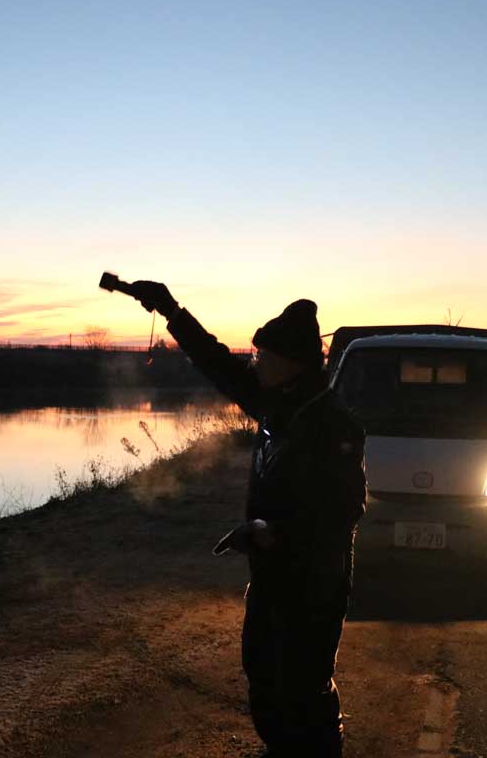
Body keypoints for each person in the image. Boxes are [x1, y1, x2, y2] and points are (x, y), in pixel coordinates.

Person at [127, 281, 367, 758]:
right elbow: (218, 365)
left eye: (263, 357)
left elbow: (345, 511)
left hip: (314, 584)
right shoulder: (277, 403)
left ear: (291, 363)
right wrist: (171, 309)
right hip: (272, 577)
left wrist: (272, 534)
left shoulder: (333, 424)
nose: (254, 363)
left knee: (307, 687)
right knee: (262, 674)